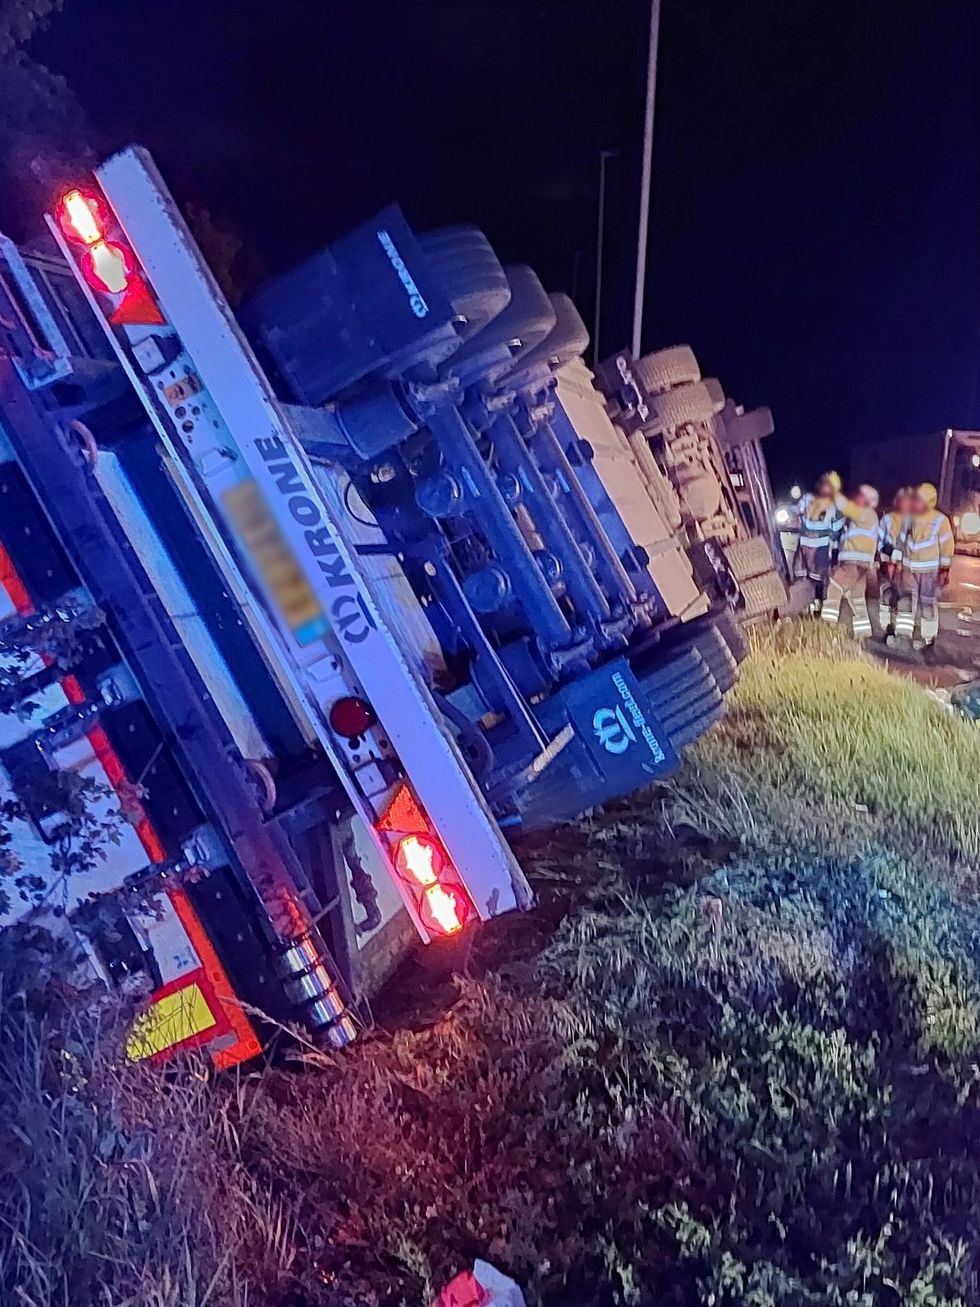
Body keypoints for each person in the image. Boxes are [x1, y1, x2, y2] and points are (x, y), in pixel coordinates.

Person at [893, 482, 954, 654]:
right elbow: (901, 540)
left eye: (919, 500)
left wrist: (944, 569)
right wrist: (897, 563)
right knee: (905, 601)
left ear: (929, 502)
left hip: (929, 571)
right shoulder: (909, 517)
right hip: (908, 568)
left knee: (927, 604)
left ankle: (928, 640)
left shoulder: (940, 521)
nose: (915, 502)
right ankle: (903, 636)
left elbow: (947, 546)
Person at [821, 483, 879, 638]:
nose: (856, 497)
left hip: (853, 563)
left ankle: (827, 630)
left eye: (860, 495)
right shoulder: (867, 517)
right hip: (861, 566)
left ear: (867, 500)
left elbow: (846, 507)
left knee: (834, 589)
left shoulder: (865, 513)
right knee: (857, 600)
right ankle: (863, 636)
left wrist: (834, 491)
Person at [794, 471, 842, 615]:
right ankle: (802, 605)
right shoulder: (808, 499)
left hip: (820, 549)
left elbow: (836, 531)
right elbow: (796, 512)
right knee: (801, 576)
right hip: (803, 546)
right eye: (824, 484)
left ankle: (817, 607)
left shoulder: (835, 508)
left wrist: (833, 551)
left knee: (818, 580)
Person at [876, 486, 913, 638]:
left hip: (906, 566)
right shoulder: (887, 519)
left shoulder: (913, 521)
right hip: (887, 563)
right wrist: (886, 550)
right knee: (887, 595)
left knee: (905, 597)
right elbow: (878, 540)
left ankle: (903, 633)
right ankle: (887, 628)